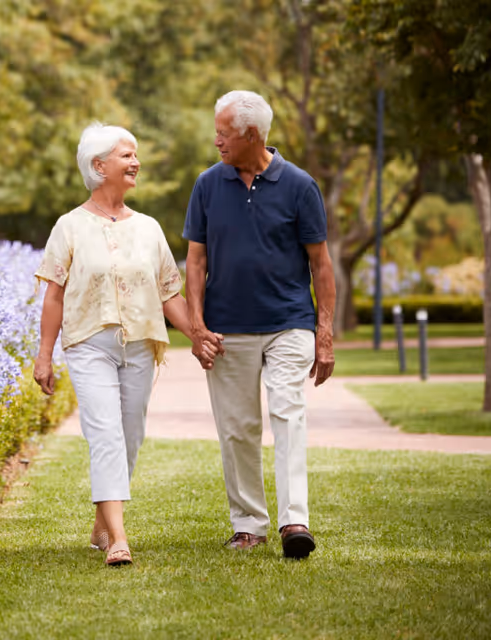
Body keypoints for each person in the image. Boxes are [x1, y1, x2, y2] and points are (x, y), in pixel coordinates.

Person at [33, 122, 220, 567]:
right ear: (99, 167)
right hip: (88, 344)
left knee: (130, 435)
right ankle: (117, 538)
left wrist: (197, 334)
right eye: (126, 155)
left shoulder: (149, 228)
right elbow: (54, 295)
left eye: (135, 155)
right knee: (106, 435)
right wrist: (44, 355)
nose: (136, 162)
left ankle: (102, 521)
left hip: (140, 345)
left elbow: (168, 294)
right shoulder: (69, 226)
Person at [183, 90, 336, 559]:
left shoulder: (299, 185)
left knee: (288, 413)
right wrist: (197, 326)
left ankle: (295, 521)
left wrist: (324, 333)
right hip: (228, 328)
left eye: (224, 132)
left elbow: (321, 265)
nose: (216, 140)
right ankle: (248, 525)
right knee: (238, 427)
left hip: (289, 322)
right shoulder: (208, 185)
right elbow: (195, 261)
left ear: (252, 135)